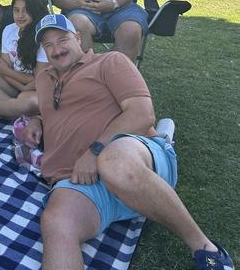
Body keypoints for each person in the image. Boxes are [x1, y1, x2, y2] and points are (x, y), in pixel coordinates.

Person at [18, 14, 235, 270]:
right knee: (56, 223)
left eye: (62, 39)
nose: (56, 49)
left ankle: (207, 250)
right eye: (48, 45)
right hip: (78, 180)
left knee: (113, 161)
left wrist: (94, 152)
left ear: (78, 38)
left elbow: (142, 113)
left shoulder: (109, 62)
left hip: (130, 161)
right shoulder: (44, 79)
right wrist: (37, 120)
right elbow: (50, 109)